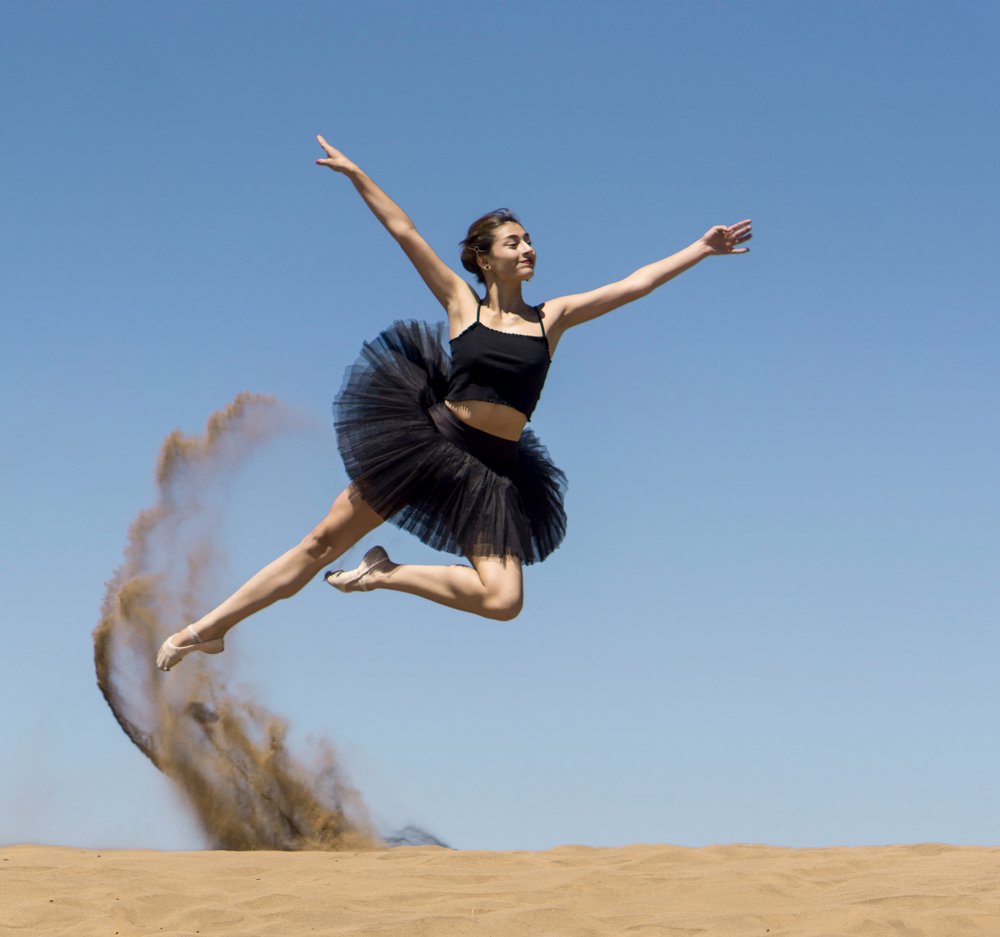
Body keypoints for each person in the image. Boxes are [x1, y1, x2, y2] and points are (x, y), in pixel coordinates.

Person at [155, 134, 752, 671]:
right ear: (484, 258)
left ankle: (385, 575)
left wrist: (700, 249)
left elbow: (635, 284)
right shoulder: (461, 306)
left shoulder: (554, 317)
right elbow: (405, 232)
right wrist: (359, 175)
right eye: (514, 242)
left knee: (504, 601)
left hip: (493, 471)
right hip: (429, 445)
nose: (528, 249)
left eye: (529, 241)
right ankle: (206, 630)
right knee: (318, 545)